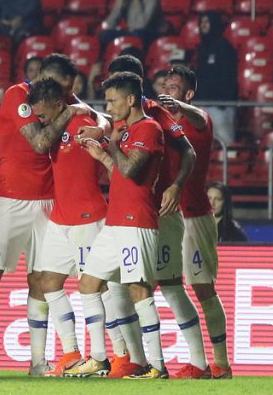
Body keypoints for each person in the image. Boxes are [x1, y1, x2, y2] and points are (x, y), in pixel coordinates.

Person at [0, 54, 103, 377]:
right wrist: (73, 111)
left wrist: (96, 123)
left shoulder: (64, 99)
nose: (66, 97)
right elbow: (41, 143)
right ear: (44, 79)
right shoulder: (17, 95)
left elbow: (101, 118)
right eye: (63, 90)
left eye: (69, 93)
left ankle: (38, 362)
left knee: (40, 282)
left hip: (48, 204)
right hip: (11, 201)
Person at [104, 55, 201, 380]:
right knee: (117, 285)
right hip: (130, 212)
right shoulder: (117, 116)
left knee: (170, 286)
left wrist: (176, 186)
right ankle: (134, 359)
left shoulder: (154, 113)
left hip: (161, 210)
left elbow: (188, 151)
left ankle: (198, 363)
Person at [68, 71, 167, 379]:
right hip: (115, 221)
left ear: (130, 99)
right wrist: (103, 156)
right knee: (88, 284)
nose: (108, 108)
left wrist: (108, 143)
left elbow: (134, 170)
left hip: (137, 221)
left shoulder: (148, 129)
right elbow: (119, 173)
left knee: (138, 289)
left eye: (112, 101)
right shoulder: (124, 130)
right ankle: (99, 357)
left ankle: (158, 366)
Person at [27, 78, 107, 376]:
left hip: (88, 218)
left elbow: (109, 131)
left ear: (59, 105)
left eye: (44, 115)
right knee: (48, 282)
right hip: (60, 219)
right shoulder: (57, 127)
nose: (41, 122)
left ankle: (104, 357)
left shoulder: (85, 123)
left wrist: (100, 128)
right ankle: (72, 354)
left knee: (98, 289)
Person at [159, 67, 234, 379]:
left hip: (194, 215)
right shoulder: (157, 122)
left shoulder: (197, 120)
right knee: (166, 286)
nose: (167, 91)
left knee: (203, 289)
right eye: (165, 85)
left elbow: (201, 117)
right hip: (166, 216)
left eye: (174, 87)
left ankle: (222, 364)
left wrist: (182, 108)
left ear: (188, 94)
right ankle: (195, 362)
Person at [194, 11, 238, 145]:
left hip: (220, 107)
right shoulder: (201, 48)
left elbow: (227, 77)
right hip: (202, 106)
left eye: (206, 22)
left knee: (225, 143)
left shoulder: (224, 47)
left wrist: (222, 103)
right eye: (201, 22)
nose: (203, 25)